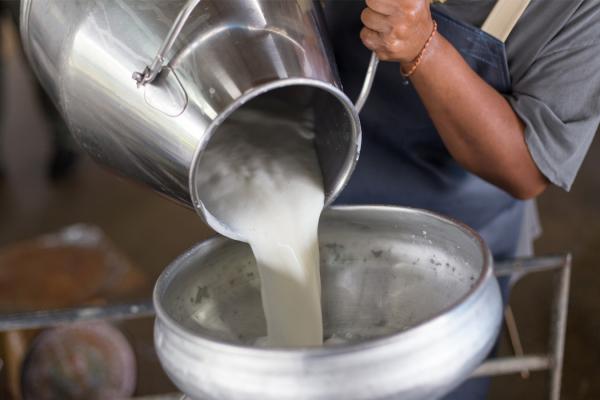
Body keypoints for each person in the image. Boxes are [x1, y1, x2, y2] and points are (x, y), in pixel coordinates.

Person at [324, 0, 600, 398]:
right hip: (318, 169)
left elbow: (525, 169)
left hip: (451, 239)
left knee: (434, 382)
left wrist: (424, 48)